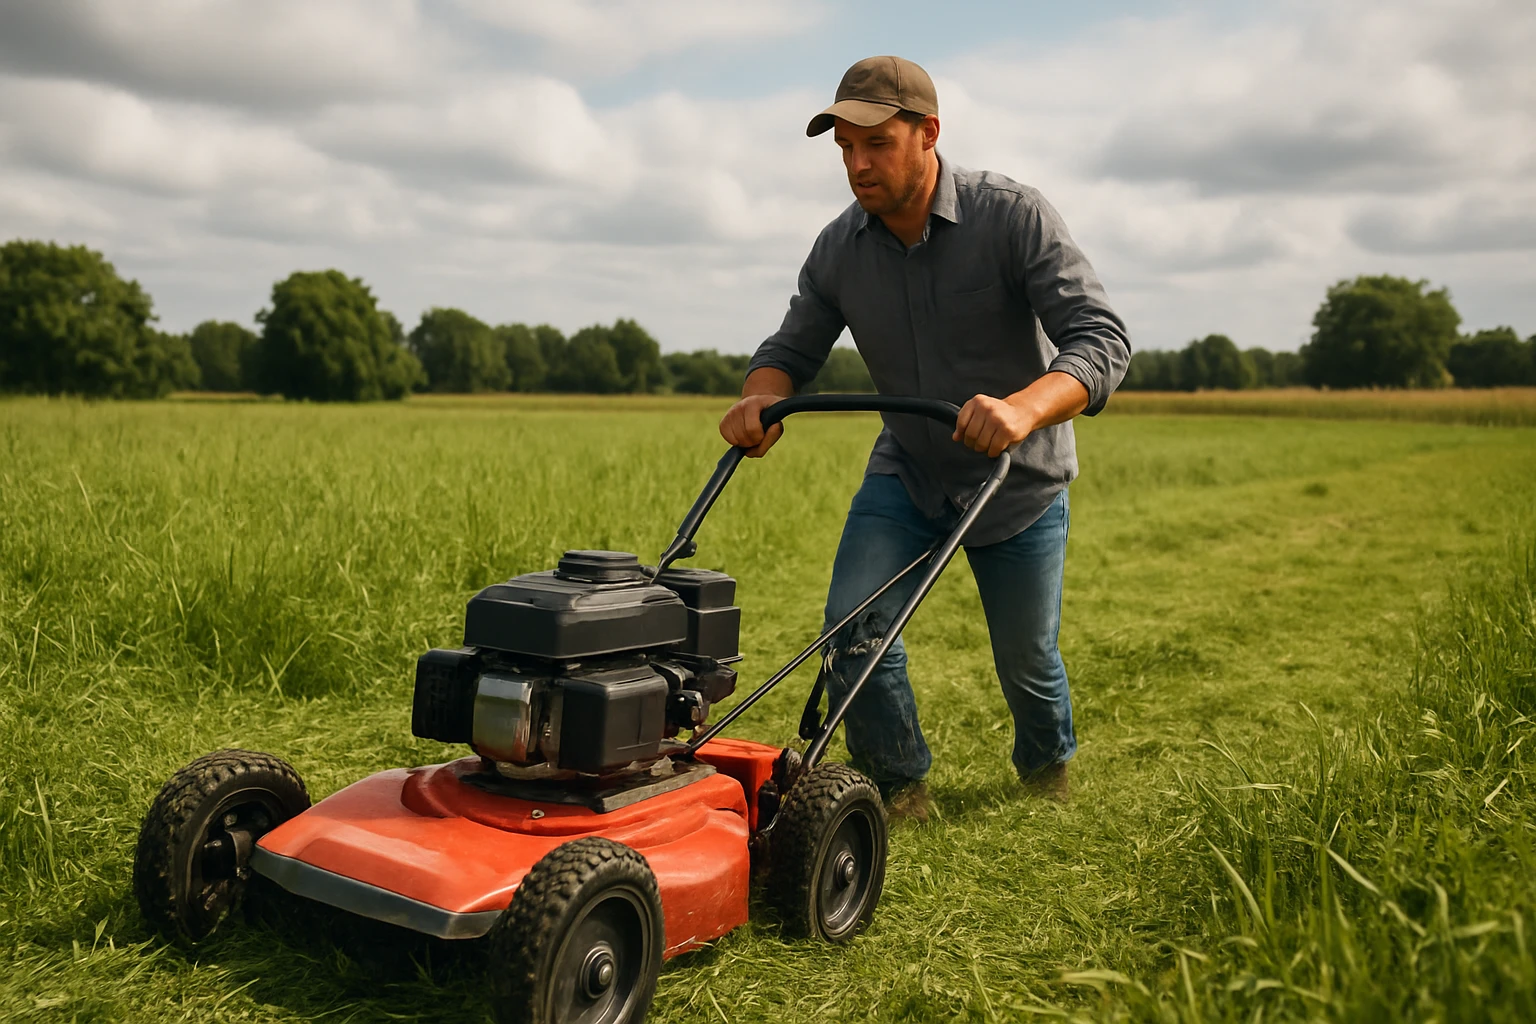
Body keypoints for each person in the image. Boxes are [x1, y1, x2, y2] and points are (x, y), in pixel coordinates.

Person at [720, 56, 1130, 821]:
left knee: (1026, 660)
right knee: (853, 628)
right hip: (909, 472)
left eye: (874, 144)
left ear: (928, 133)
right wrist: (759, 402)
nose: (857, 164)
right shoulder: (840, 248)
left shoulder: (1012, 215)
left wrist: (1022, 409)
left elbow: (1101, 340)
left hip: (1018, 481)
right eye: (844, 147)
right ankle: (901, 792)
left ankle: (1047, 772)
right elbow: (790, 350)